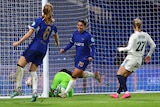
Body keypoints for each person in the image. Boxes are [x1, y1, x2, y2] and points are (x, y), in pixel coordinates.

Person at [10, 3, 59, 102]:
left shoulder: (39, 21)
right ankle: (35, 92)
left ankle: (18, 88)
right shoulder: (53, 24)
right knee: (33, 70)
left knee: (20, 65)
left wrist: (18, 42)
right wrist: (57, 43)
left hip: (34, 46)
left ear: (43, 11)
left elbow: (29, 33)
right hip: (43, 49)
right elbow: (56, 36)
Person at [110, 18, 156, 99]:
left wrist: (120, 49)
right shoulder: (146, 35)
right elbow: (153, 45)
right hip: (139, 60)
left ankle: (126, 92)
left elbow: (128, 48)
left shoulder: (134, 36)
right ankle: (117, 93)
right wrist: (149, 55)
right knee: (124, 76)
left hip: (131, 58)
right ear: (140, 26)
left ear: (133, 26)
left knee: (119, 75)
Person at [58, 19, 101, 98]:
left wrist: (91, 56)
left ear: (84, 26)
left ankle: (65, 93)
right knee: (80, 75)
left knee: (74, 74)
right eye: (78, 25)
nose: (79, 27)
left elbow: (93, 47)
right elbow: (71, 43)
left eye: (81, 25)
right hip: (77, 57)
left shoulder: (88, 36)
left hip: (84, 58)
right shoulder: (75, 34)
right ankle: (95, 75)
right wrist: (64, 49)